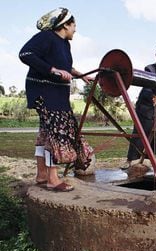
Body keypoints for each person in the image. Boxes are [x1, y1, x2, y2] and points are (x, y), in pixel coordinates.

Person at [19, 7, 93, 192]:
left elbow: (64, 67)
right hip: (45, 92)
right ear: (65, 25)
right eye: (74, 25)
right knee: (55, 134)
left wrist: (80, 74)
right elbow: (25, 54)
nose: (75, 29)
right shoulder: (47, 37)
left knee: (45, 133)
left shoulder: (64, 44)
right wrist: (52, 70)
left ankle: (42, 175)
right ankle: (53, 179)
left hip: (57, 94)